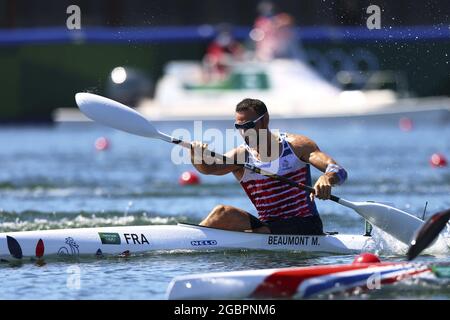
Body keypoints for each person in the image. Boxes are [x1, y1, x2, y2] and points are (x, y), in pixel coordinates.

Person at [190, 98, 348, 235]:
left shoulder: (296, 146)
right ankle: (190, 239)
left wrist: (326, 178)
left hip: (305, 225)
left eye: (249, 125)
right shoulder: (242, 156)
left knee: (260, 233)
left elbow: (339, 171)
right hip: (269, 226)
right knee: (222, 213)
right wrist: (196, 155)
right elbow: (208, 169)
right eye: (239, 127)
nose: (244, 132)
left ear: (265, 120)